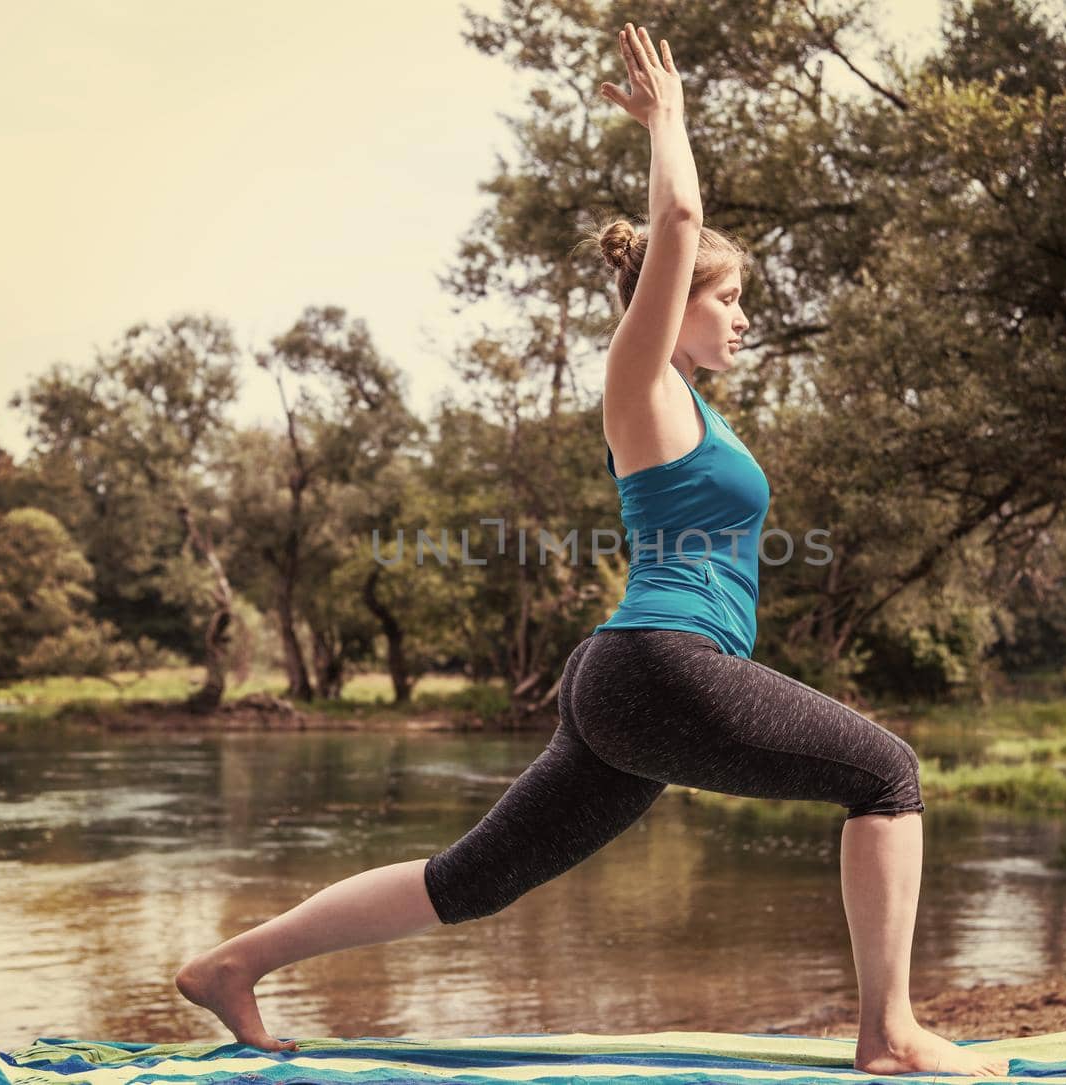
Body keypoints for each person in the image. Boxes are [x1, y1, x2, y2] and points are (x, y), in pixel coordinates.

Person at [176, 22, 1010, 1079]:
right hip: (661, 664)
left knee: (472, 880)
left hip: (629, 679)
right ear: (672, 300)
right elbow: (679, 216)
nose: (746, 317)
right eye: (729, 296)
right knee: (886, 772)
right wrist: (667, 121)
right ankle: (888, 1034)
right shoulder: (642, 379)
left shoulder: (695, 409)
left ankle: (233, 964)